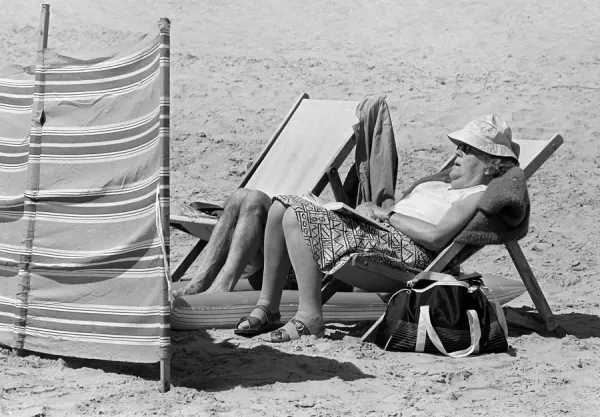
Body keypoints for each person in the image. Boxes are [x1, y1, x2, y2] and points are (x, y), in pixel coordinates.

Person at [234, 114, 520, 342]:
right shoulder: (436, 184)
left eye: (468, 148)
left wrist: (386, 214)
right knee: (279, 208)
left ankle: (311, 317)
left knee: (296, 215)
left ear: (490, 164)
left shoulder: (475, 196)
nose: (458, 151)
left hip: (408, 255)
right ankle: (268, 306)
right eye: (460, 145)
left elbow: (435, 238)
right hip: (377, 234)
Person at [172, 188, 273, 296]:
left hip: (286, 274)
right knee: (238, 196)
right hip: (263, 267)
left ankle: (222, 286)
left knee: (256, 200)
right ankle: (202, 281)